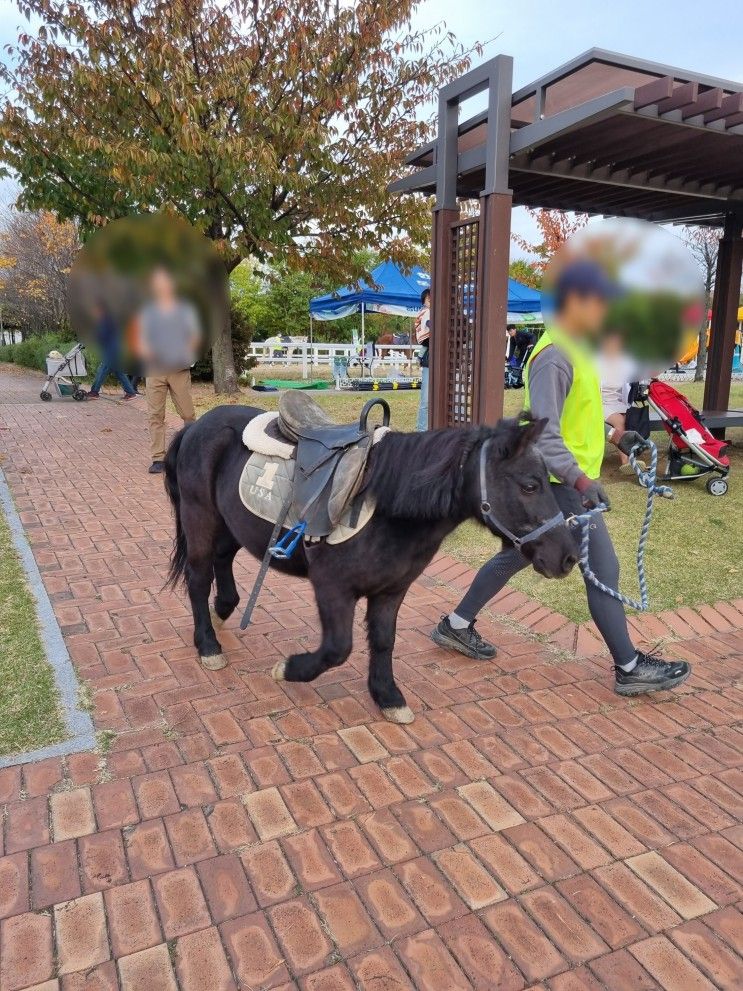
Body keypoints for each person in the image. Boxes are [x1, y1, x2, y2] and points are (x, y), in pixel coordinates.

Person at [431, 259, 691, 697]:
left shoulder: (579, 350)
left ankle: (456, 624)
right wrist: (581, 482)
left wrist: (618, 435)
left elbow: (580, 417)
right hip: (559, 486)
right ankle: (628, 667)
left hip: (566, 482)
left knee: (517, 554)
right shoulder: (553, 357)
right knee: (603, 571)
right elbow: (545, 432)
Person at [136, 267, 201, 474]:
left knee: (188, 414)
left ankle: (190, 455)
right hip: (155, 370)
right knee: (155, 415)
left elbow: (194, 336)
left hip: (179, 368)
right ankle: (158, 458)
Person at [598, 332, 642, 473]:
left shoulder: (626, 362)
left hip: (619, 402)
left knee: (634, 417)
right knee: (619, 420)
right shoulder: (595, 361)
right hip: (600, 403)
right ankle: (626, 460)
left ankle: (635, 451)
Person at [86, 302, 137, 401]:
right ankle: (130, 392)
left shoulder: (105, 320)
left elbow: (103, 335)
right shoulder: (108, 319)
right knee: (119, 372)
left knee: (102, 369)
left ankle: (94, 392)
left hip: (111, 350)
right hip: (115, 349)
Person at [415, 288, 431, 431]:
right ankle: (421, 429)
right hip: (430, 360)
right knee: (426, 400)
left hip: (430, 357)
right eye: (428, 299)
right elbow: (429, 325)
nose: (431, 301)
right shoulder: (426, 313)